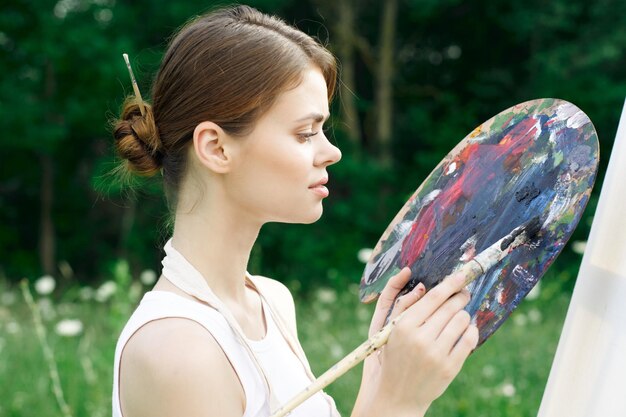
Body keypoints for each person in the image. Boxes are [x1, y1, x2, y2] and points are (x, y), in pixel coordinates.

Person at [111, 5, 478, 417]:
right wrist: (398, 401)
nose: (332, 151)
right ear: (216, 148)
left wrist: (382, 374)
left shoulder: (272, 302)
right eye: (305, 133)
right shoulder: (177, 350)